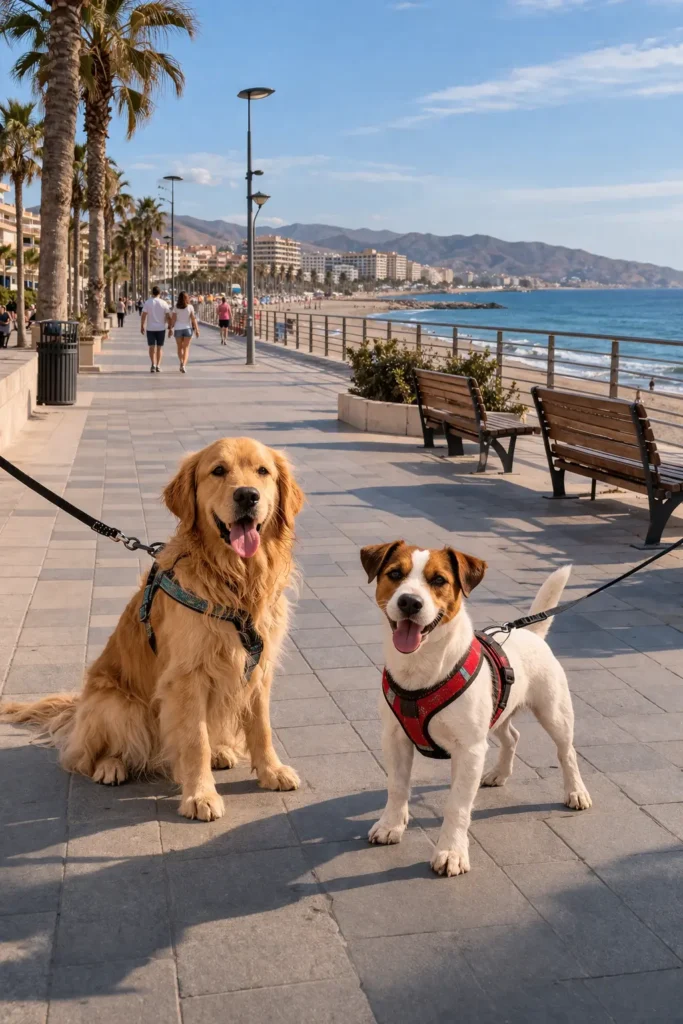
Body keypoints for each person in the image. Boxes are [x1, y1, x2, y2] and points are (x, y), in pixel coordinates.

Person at [140, 286, 170, 372]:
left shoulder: (148, 302)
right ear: (159, 293)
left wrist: (142, 326)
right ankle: (158, 365)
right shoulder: (164, 303)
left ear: (152, 293)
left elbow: (144, 315)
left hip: (150, 328)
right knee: (159, 347)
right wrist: (170, 326)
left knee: (151, 347)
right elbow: (168, 316)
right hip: (161, 328)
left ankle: (153, 364)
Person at [169, 291, 199, 374]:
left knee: (179, 347)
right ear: (187, 298)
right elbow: (193, 319)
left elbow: (173, 319)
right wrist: (197, 329)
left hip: (178, 329)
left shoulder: (176, 307)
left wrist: (170, 328)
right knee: (186, 348)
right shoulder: (190, 307)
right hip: (187, 329)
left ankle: (181, 362)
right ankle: (184, 365)